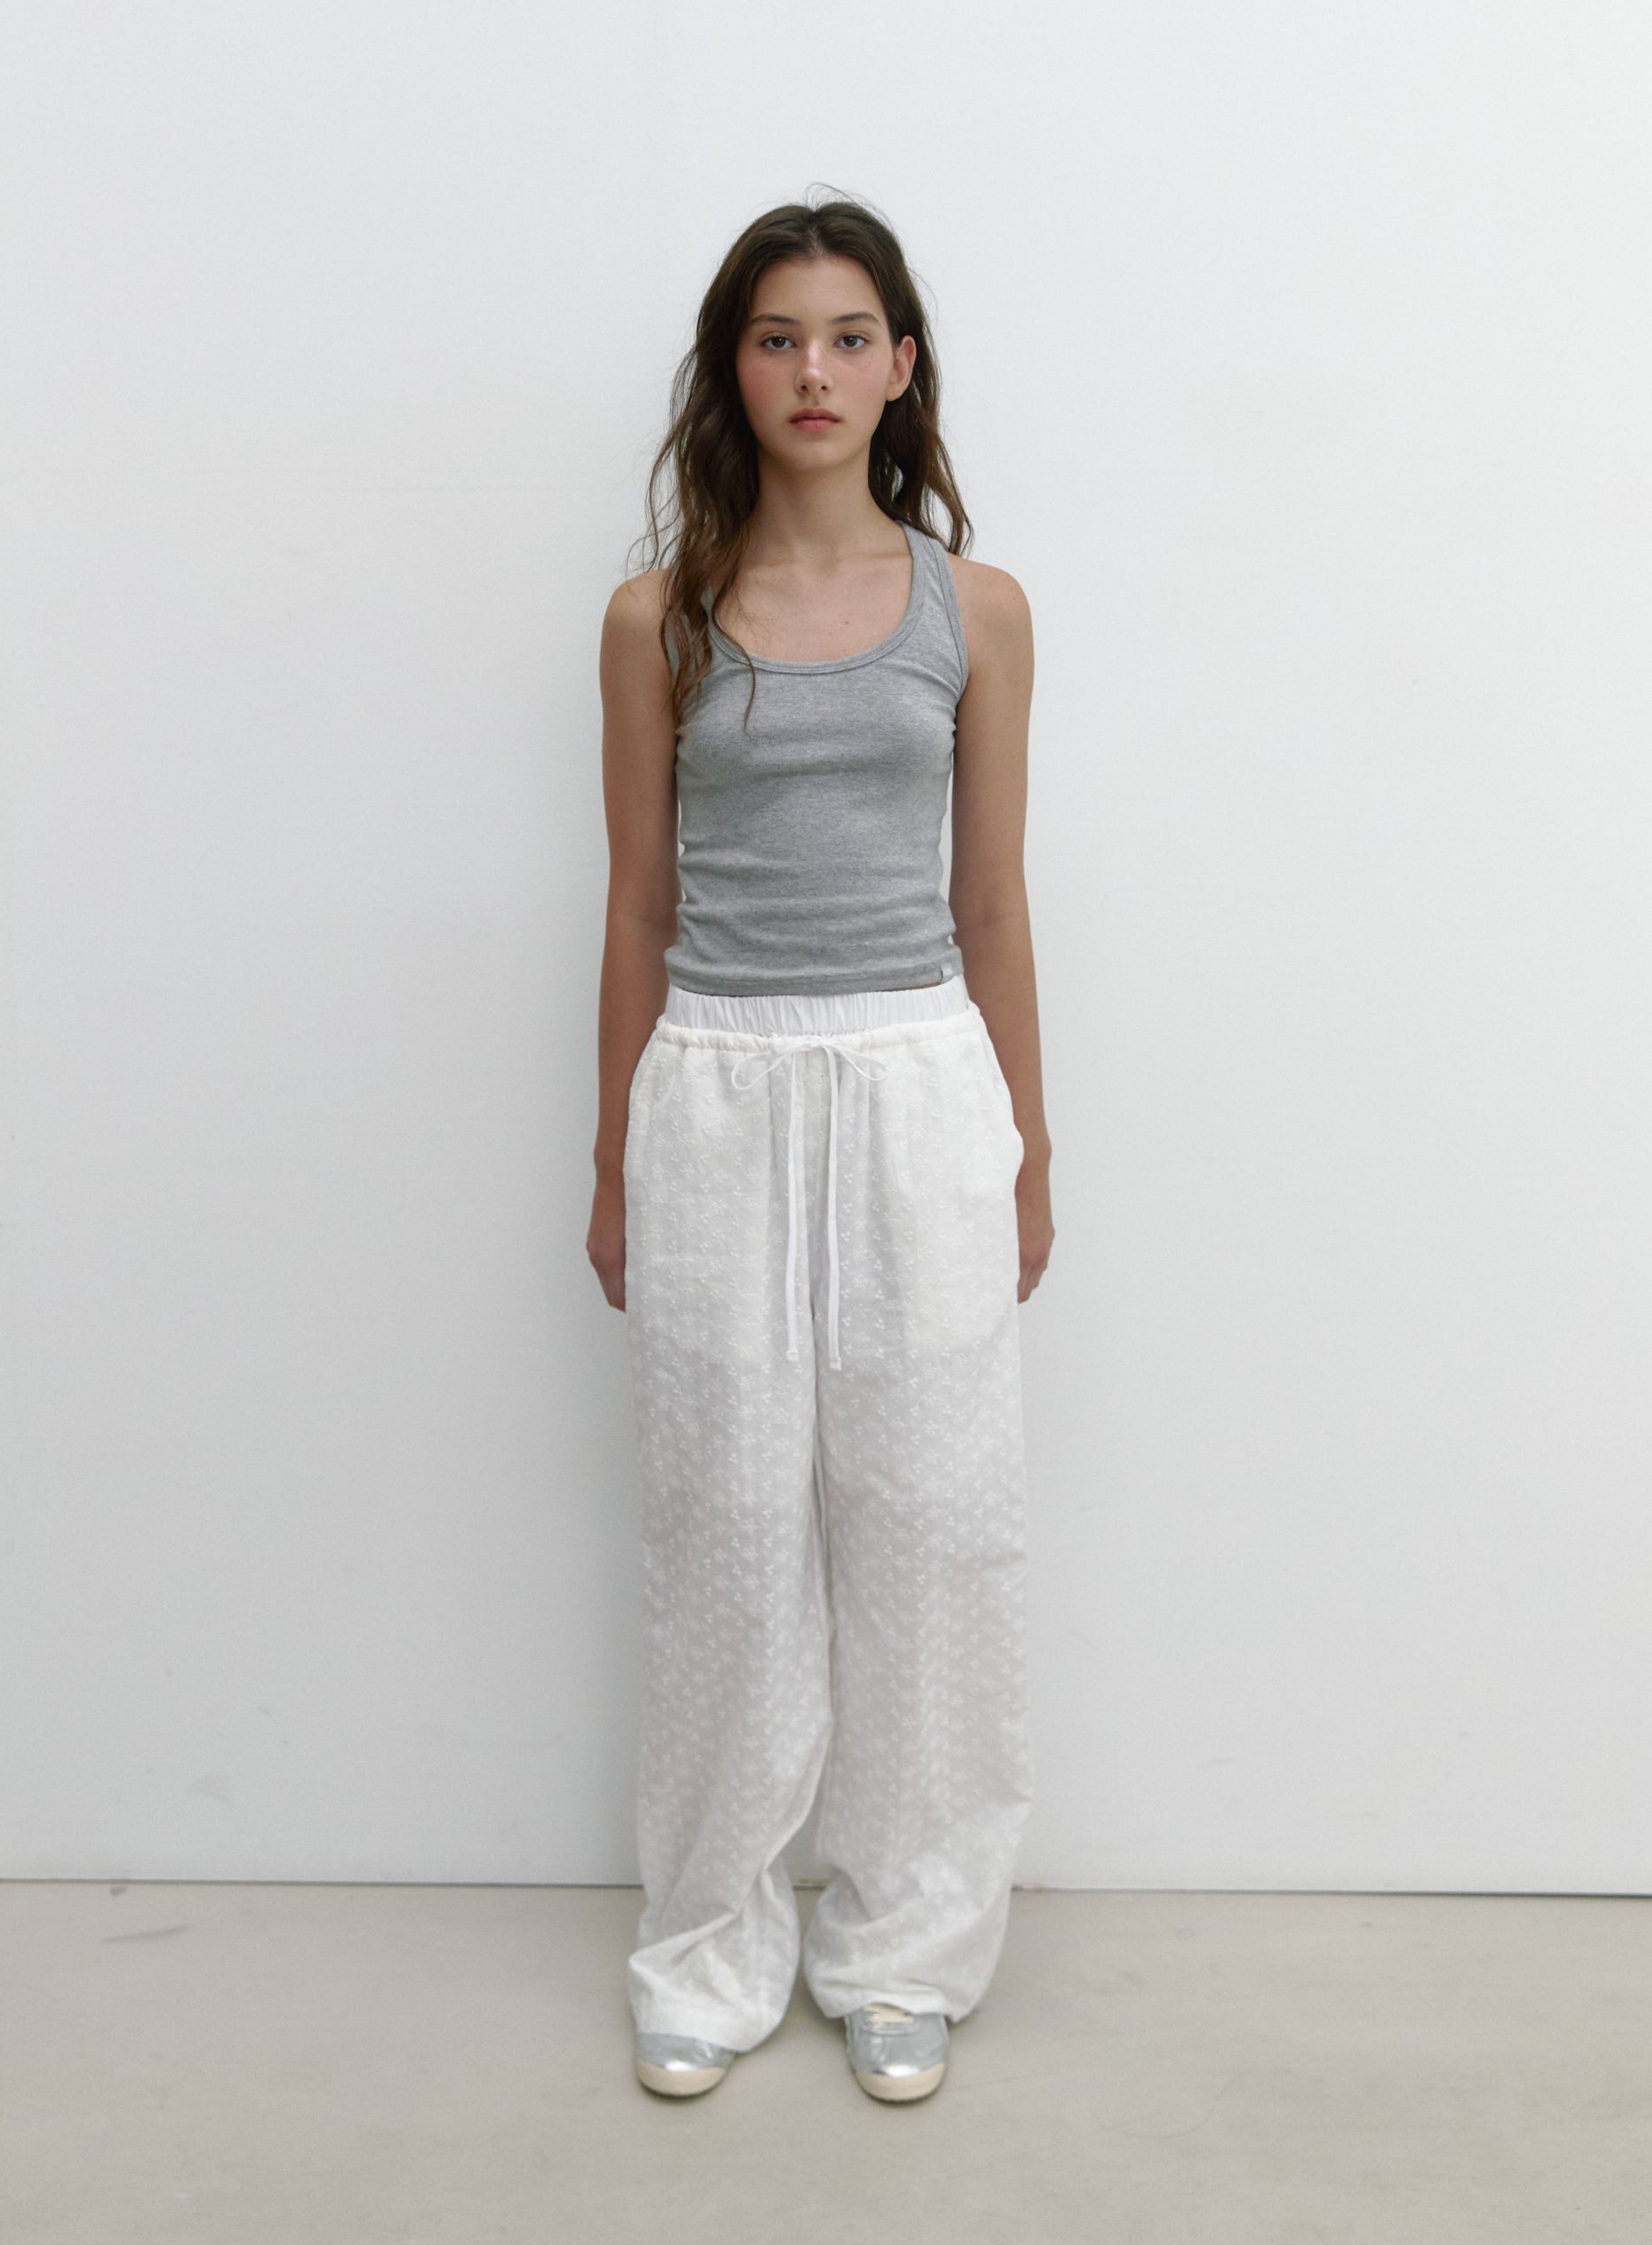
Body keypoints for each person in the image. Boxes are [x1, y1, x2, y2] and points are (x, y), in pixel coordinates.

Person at [589, 193, 1053, 2104]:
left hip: (920, 1080)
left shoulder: (976, 608)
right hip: (717, 1082)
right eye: (778, 336)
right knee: (725, 1525)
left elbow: (993, 902)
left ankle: (905, 1941)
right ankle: (711, 1940)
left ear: (901, 367)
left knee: (929, 1523)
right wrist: (613, 1162)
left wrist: (1028, 1148)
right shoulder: (657, 617)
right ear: (735, 368)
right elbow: (636, 904)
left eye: (850, 335)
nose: (814, 370)